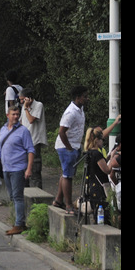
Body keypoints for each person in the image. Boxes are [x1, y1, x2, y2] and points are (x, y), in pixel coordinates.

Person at [0, 106, 35, 235]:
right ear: (8, 115)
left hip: (18, 168)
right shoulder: (3, 129)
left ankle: (19, 224)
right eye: (13, 114)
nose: (16, 117)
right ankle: (18, 220)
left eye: (17, 114)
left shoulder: (23, 131)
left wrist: (28, 168)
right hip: (6, 168)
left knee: (18, 196)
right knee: (12, 196)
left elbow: (30, 150)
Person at [52, 85, 88, 213]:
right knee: (68, 176)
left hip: (74, 146)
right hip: (66, 147)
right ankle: (68, 205)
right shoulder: (71, 112)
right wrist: (69, 149)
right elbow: (62, 132)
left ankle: (58, 200)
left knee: (67, 173)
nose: (86, 98)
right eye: (84, 96)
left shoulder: (80, 109)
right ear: (78, 98)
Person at [19, 88, 47, 188]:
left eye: (22, 99)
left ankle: (38, 194)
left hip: (34, 140)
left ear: (28, 98)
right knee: (24, 169)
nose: (21, 102)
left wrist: (26, 108)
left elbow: (31, 120)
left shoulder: (38, 105)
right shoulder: (23, 107)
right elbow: (22, 122)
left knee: (35, 169)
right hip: (25, 141)